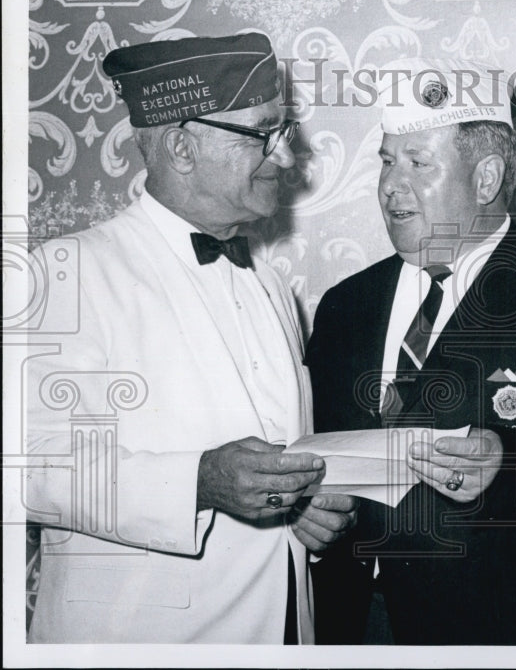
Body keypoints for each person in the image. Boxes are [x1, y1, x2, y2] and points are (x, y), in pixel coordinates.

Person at [306, 58, 516, 645]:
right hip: (351, 632)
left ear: (488, 178)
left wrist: (511, 469)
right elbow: (323, 459)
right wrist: (309, 512)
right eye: (387, 162)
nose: (391, 186)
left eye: (419, 163)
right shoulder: (345, 306)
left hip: (510, 641)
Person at [24, 33, 357, 643]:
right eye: (264, 135)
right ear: (181, 146)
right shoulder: (67, 273)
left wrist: (301, 507)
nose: (286, 160)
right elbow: (32, 466)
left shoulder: (270, 284)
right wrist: (198, 481)